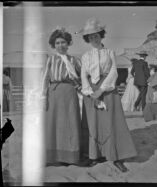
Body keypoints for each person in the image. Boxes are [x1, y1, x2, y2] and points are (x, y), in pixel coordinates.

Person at [79, 18, 137, 172]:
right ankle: (94, 155)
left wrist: (101, 90)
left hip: (108, 90)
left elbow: (113, 72)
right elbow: (84, 75)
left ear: (101, 35)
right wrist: (90, 92)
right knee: (94, 123)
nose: (94, 38)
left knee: (112, 121)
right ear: (87, 39)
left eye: (96, 35)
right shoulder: (85, 56)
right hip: (90, 92)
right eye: (90, 37)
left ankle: (116, 156)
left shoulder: (110, 52)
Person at [41, 27, 82, 166]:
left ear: (68, 43)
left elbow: (82, 78)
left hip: (70, 94)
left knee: (70, 124)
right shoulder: (50, 59)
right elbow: (44, 79)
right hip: (54, 93)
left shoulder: (75, 60)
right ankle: (52, 156)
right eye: (57, 43)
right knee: (53, 124)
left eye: (63, 42)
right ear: (54, 45)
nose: (60, 45)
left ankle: (69, 157)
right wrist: (43, 97)